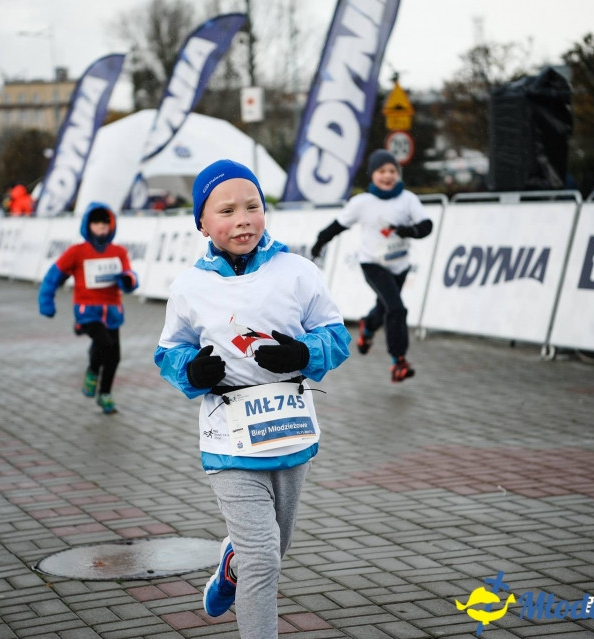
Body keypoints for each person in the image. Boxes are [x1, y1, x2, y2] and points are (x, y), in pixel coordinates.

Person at [154, 160, 350, 638]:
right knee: (264, 560)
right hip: (228, 436)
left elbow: (337, 336)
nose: (242, 219)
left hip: (289, 431)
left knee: (273, 548)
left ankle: (231, 565)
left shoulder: (298, 272)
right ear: (201, 221)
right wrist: (191, 371)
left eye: (253, 207)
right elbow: (168, 352)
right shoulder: (189, 287)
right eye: (226, 210)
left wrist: (304, 352)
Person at [310, 149, 433, 383]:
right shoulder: (362, 203)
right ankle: (399, 361)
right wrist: (319, 242)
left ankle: (368, 326)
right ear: (372, 175)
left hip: (400, 264)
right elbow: (337, 226)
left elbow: (426, 226)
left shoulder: (407, 199)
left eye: (391, 171)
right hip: (373, 265)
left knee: (385, 307)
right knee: (396, 309)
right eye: (381, 171)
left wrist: (409, 231)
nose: (387, 176)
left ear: (397, 173)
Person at [38, 202, 138, 414]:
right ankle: (92, 370)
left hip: (112, 311)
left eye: (105, 223)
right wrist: (46, 301)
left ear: (111, 225)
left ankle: (105, 394)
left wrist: (128, 281)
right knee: (104, 343)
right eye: (96, 223)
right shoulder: (76, 251)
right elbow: (53, 276)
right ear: (88, 225)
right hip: (87, 311)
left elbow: (129, 275)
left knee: (114, 355)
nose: (101, 228)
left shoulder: (118, 251)